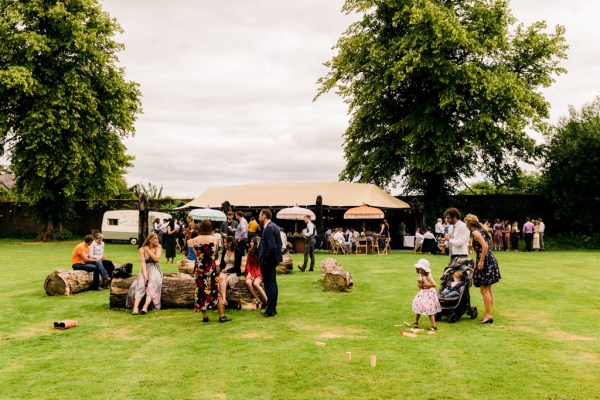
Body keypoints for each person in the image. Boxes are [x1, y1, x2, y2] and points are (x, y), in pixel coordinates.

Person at [192, 219, 231, 323]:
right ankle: (221, 315)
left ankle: (205, 316)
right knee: (215, 290)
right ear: (210, 228)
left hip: (199, 268)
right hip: (210, 268)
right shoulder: (214, 240)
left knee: (200, 291)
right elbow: (216, 252)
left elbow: (194, 253)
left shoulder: (195, 240)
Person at [465, 214, 501, 324]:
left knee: (484, 289)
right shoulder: (480, 230)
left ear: (468, 224)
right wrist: (473, 247)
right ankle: (487, 313)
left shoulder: (476, 232)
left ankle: (488, 315)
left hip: (485, 261)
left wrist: (480, 261)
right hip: (489, 259)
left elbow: (485, 246)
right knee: (488, 289)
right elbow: (483, 246)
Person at [127, 232, 163, 315]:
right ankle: (135, 308)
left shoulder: (158, 247)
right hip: (146, 269)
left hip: (155, 269)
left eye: (157, 238)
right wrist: (145, 275)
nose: (157, 240)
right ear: (150, 239)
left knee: (151, 286)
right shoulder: (142, 249)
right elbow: (143, 263)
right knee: (140, 285)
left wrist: (149, 251)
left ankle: (145, 307)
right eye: (154, 238)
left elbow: (157, 259)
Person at [258, 209, 282, 318]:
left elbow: (272, 246)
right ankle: (273, 308)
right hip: (273, 260)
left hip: (268, 261)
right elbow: (279, 243)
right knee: (273, 284)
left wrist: (264, 259)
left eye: (260, 215)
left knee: (269, 285)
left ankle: (270, 310)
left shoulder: (269, 228)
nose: (259, 217)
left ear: (264, 216)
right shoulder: (275, 226)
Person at [411, 258, 441, 331]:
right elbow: (420, 284)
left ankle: (433, 326)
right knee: (419, 307)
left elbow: (434, 284)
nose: (420, 271)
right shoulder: (421, 275)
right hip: (423, 292)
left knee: (428, 309)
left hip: (428, 293)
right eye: (419, 269)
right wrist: (419, 285)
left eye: (421, 269)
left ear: (425, 269)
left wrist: (425, 286)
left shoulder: (428, 276)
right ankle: (416, 322)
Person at [218, 236, 242, 306]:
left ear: (230, 243)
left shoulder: (237, 251)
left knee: (226, 281)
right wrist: (222, 270)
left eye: (225, 242)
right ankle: (224, 300)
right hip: (225, 271)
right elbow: (222, 264)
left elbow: (237, 267)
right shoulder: (224, 251)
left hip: (234, 272)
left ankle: (221, 302)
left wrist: (227, 270)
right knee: (221, 278)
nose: (224, 244)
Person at [245, 236, 267, 308]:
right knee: (248, 282)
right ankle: (258, 300)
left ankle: (267, 300)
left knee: (256, 284)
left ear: (255, 243)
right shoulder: (250, 251)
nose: (250, 243)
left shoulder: (261, 252)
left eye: (252, 242)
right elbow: (248, 263)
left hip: (259, 270)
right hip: (251, 271)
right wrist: (248, 273)